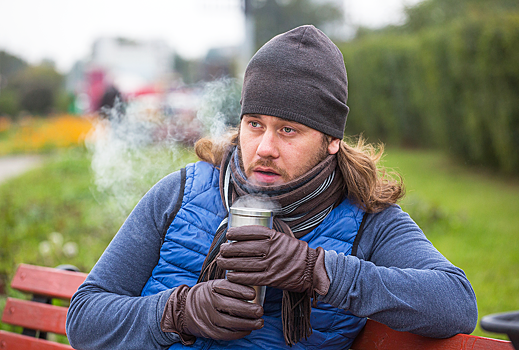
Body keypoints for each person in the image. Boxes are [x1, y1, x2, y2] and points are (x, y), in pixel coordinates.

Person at [66, 25, 478, 350]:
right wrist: (177, 312)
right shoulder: (179, 194)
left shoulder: (369, 222)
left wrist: (316, 269)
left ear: (331, 140)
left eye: (288, 130)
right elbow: (84, 319)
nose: (265, 148)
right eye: (255, 125)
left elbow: (456, 303)